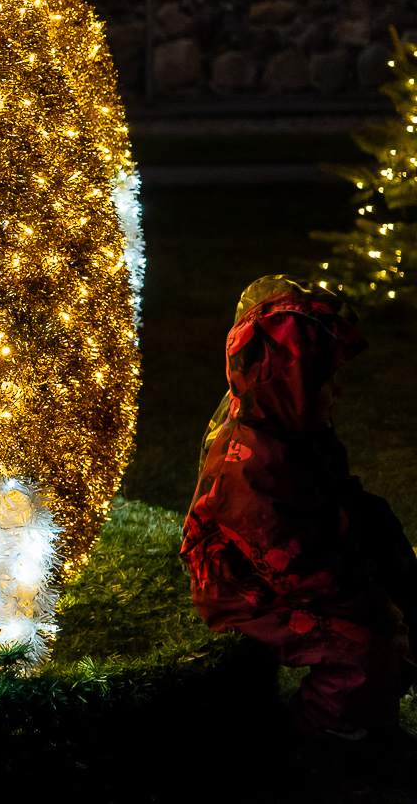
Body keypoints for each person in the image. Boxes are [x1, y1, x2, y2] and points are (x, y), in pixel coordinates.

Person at [182, 275, 417, 754]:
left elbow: (335, 489)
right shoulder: (250, 466)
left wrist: (383, 547)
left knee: (400, 588)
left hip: (301, 556)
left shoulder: (290, 424)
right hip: (247, 585)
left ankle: (374, 715)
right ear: (291, 382)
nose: (338, 393)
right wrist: (362, 593)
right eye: (327, 381)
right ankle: (320, 736)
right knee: (364, 643)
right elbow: (291, 563)